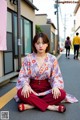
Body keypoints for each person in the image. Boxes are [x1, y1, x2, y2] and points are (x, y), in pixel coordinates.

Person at [15, 33, 78, 113]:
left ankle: (31, 105)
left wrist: (55, 86)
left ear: (47, 44)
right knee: (20, 93)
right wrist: (25, 85)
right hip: (32, 88)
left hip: (47, 88)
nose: (41, 46)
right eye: (38, 43)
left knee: (62, 94)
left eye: (43, 43)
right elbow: (23, 75)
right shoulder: (28, 58)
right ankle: (51, 107)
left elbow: (56, 76)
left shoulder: (52, 59)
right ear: (34, 44)